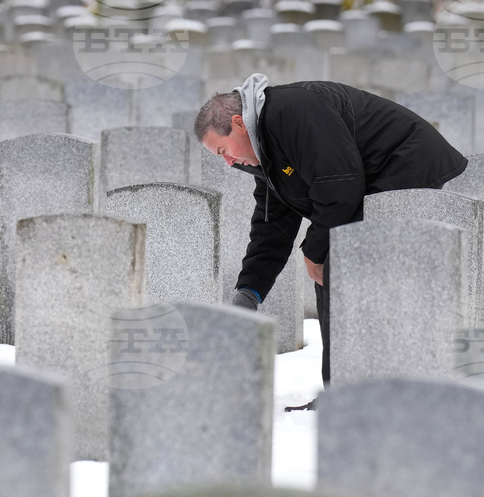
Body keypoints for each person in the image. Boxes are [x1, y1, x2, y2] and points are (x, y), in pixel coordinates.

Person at [194, 75, 468, 404]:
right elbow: (272, 227)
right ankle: (342, 390)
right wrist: (249, 291)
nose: (228, 162)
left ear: (239, 123)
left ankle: (365, 393)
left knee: (344, 267)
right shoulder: (266, 150)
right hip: (372, 182)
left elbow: (339, 184)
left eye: (223, 150)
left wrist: (314, 252)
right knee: (334, 267)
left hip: (408, 167)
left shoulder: (294, 111)